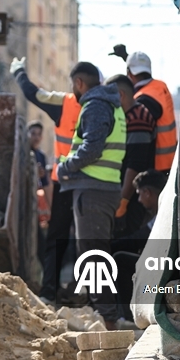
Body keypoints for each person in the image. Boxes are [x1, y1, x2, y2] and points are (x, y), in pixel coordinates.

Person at [57, 62, 126, 329]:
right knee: (97, 254)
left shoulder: (95, 105)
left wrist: (65, 167)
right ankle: (107, 315)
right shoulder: (111, 105)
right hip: (104, 190)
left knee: (93, 257)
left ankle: (108, 321)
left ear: (78, 83)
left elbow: (92, 149)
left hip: (94, 191)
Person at [10, 57, 82, 305]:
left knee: (58, 238)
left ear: (78, 83)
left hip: (66, 180)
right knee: (92, 239)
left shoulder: (66, 103)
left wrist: (19, 71)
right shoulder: (109, 105)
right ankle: (88, 294)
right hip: (93, 183)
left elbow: (34, 94)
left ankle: (51, 292)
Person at [104, 75, 156, 241]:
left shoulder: (137, 118)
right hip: (130, 194)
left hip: (133, 198)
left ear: (120, 95)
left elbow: (135, 165)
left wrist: (122, 203)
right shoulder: (129, 116)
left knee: (126, 242)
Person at [126, 51, 177, 176]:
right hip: (169, 163)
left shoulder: (143, 100)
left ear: (129, 74)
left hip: (154, 168)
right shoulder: (160, 87)